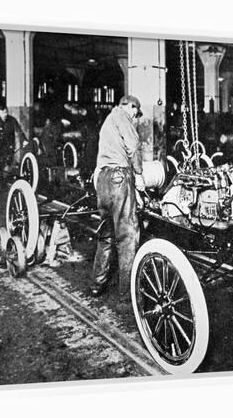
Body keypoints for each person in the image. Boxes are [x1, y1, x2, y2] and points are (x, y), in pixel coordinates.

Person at [89, 95, 145, 310]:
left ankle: (97, 284)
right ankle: (127, 295)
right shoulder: (122, 117)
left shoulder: (108, 121)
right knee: (127, 236)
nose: (135, 117)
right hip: (119, 178)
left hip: (102, 180)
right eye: (135, 112)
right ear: (129, 106)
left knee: (106, 235)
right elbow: (134, 146)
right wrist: (139, 174)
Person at [0, 104, 28, 174]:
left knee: (7, 166)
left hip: (8, 147)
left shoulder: (12, 120)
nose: (5, 114)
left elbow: (19, 130)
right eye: (3, 112)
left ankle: (5, 179)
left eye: (6, 112)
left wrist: (24, 140)